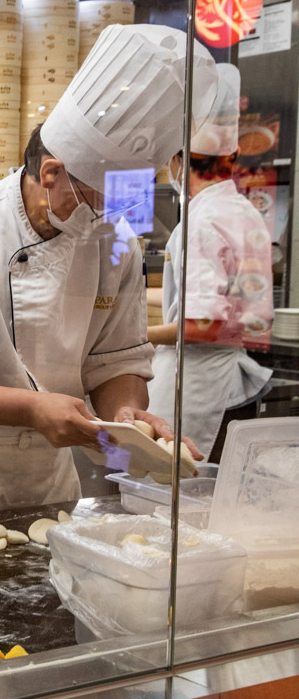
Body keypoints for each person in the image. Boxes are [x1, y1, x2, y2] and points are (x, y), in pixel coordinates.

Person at [0, 24, 217, 526]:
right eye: (97, 198)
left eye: (122, 201)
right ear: (52, 172)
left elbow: (115, 359)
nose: (109, 216)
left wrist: (124, 417)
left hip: (45, 479)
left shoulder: (115, 242)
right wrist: (31, 410)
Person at [148, 63, 273, 460]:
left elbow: (204, 324)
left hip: (197, 383)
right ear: (232, 157)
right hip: (226, 375)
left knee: (171, 493)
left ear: (180, 160)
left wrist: (139, 336)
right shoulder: (243, 210)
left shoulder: (201, 221)